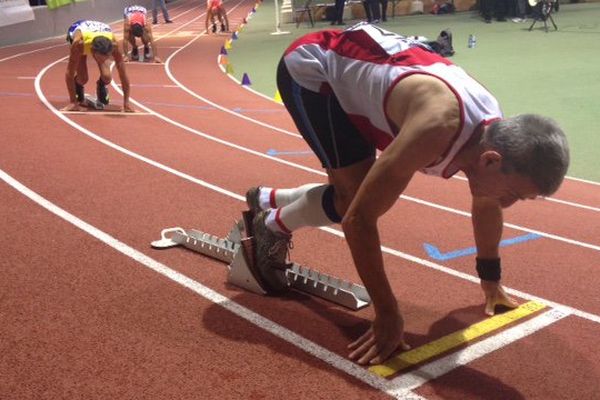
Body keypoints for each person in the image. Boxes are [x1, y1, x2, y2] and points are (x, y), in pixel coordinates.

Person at [245, 23, 569, 365]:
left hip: (370, 76)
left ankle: (266, 199)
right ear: (490, 160)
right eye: (513, 194)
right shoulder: (436, 128)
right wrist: (387, 312)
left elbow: (487, 204)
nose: (507, 203)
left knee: (357, 189)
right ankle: (273, 225)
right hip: (315, 72)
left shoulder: (494, 136)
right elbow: (359, 220)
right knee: (351, 199)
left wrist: (490, 280)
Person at [62, 20, 133, 112]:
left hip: (97, 34)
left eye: (106, 57)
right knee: (83, 78)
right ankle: (78, 86)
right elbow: (69, 73)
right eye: (101, 59)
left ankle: (101, 85)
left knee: (107, 77)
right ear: (92, 51)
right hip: (80, 32)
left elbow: (123, 75)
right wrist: (72, 102)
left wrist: (126, 102)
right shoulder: (78, 44)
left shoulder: (114, 46)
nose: (104, 61)